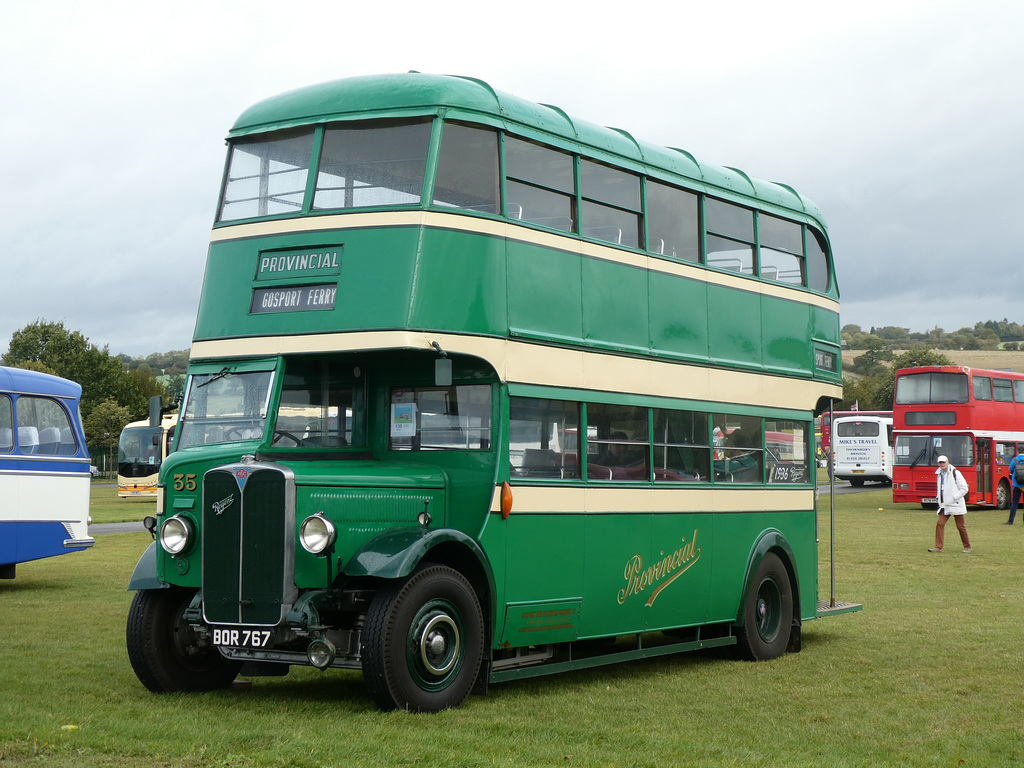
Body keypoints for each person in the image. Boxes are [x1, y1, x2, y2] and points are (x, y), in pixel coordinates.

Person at [929, 455, 972, 553]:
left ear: (948, 462)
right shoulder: (939, 474)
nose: (942, 464)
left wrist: (954, 498)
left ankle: (968, 546)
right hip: (945, 505)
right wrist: (939, 499)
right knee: (940, 523)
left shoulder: (955, 472)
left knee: (960, 526)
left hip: (956, 504)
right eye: (940, 463)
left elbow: (964, 488)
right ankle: (938, 547)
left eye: (944, 462)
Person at [1005, 449, 1024, 524]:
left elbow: (1010, 469)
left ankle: (1011, 521)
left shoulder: (1015, 459)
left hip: (1017, 484)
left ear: (1018, 451)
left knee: (1015, 502)